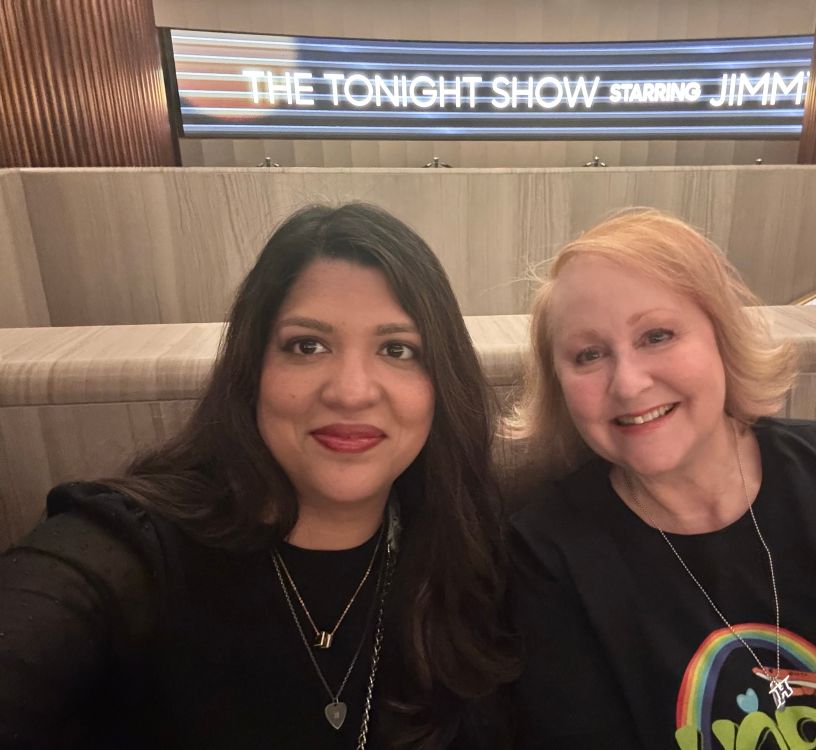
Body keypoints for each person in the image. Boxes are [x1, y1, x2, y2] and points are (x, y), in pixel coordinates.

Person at [0, 203, 517, 749]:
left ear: (441, 385)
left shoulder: (469, 559)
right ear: (253, 372)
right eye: (308, 345)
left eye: (397, 349)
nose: (350, 391)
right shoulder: (132, 550)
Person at [507, 208, 816, 750]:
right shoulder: (546, 554)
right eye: (589, 354)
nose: (627, 382)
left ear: (720, 335)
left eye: (657, 335)